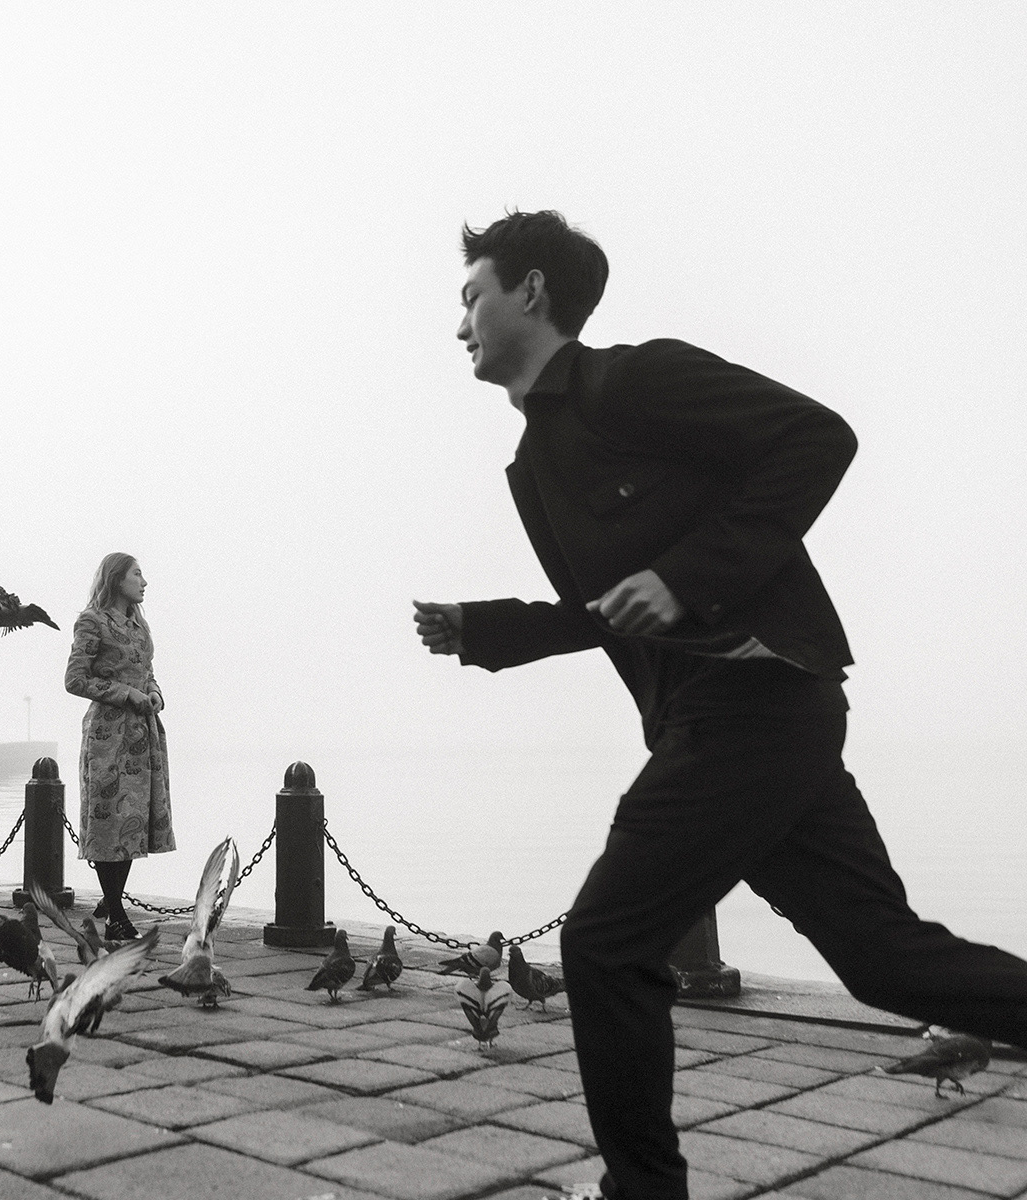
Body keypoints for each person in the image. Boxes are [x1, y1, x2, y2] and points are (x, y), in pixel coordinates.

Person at [415, 209, 1027, 1200]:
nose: (460, 325)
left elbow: (818, 438)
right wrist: (488, 630)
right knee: (884, 961)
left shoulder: (635, 381)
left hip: (757, 699)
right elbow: (613, 610)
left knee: (605, 943)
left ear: (530, 290)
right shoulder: (537, 468)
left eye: (471, 296)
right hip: (727, 719)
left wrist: (688, 576)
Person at [65, 553, 174, 939]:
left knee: (131, 825)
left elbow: (147, 670)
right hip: (108, 736)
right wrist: (126, 693)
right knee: (109, 822)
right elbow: (75, 680)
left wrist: (154, 692)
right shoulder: (92, 621)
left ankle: (112, 907)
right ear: (116, 579)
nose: (144, 582)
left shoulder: (138, 625)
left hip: (142, 736)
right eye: (137, 574)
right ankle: (116, 915)